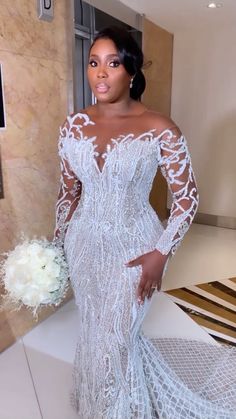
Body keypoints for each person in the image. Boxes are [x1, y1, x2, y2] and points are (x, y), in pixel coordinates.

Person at [54, 26, 236, 419]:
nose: (100, 73)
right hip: (84, 243)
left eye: (113, 63)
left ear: (131, 72)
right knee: (93, 332)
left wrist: (160, 253)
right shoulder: (73, 126)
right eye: (93, 63)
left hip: (137, 247)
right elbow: (68, 194)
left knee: (116, 339)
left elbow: (188, 199)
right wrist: (55, 249)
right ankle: (99, 406)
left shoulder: (160, 128)